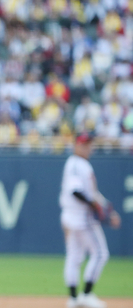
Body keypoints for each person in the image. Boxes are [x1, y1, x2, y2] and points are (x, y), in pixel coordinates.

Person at [60, 132, 121, 308]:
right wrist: (95, 206)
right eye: (83, 144)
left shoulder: (79, 164)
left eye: (89, 144)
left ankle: (73, 299)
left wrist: (106, 208)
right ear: (76, 146)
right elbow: (76, 192)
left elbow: (92, 194)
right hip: (81, 218)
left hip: (72, 217)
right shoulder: (76, 164)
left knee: (75, 256)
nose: (87, 147)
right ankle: (85, 295)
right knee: (100, 253)